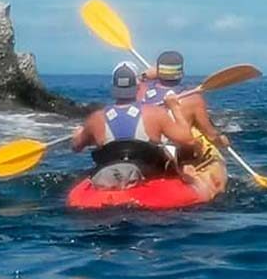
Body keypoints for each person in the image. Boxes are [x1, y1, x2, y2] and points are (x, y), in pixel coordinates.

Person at [71, 62, 206, 190]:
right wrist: (174, 108)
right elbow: (188, 140)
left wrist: (78, 134)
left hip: (107, 174)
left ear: (113, 89)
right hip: (148, 175)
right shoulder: (155, 113)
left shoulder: (95, 119)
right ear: (137, 88)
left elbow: (76, 147)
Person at [137, 50, 230, 193]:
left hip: (146, 152)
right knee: (196, 145)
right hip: (178, 156)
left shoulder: (140, 91)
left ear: (158, 72)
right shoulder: (193, 99)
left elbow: (136, 82)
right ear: (181, 73)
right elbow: (210, 135)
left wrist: (144, 75)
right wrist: (221, 141)